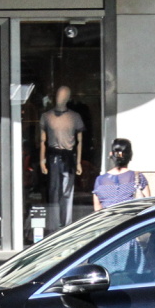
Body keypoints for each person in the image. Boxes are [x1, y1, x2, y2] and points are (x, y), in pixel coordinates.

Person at [39, 86, 86, 232]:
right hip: (53, 156)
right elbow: (42, 141)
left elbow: (80, 141)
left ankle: (67, 226)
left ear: (68, 98)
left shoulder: (75, 117)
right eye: (59, 94)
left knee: (67, 192)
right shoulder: (46, 116)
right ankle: (53, 226)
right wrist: (42, 160)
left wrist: (78, 162)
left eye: (64, 95)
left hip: (68, 156)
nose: (60, 97)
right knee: (54, 190)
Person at [92, 138, 150, 209]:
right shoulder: (138, 178)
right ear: (130, 156)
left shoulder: (100, 180)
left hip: (109, 220)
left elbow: (97, 211)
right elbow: (148, 206)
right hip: (132, 219)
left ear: (111, 155)